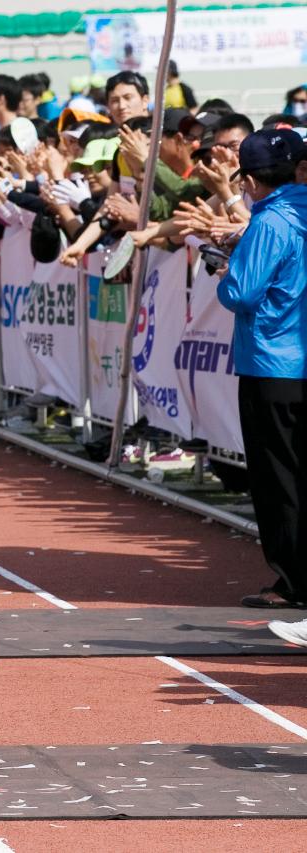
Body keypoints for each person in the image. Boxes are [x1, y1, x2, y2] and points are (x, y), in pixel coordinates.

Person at [213, 129, 307, 611]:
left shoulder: (269, 222)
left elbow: (242, 293)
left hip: (273, 360)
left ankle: (293, 582)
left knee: (278, 477)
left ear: (248, 179)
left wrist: (226, 272)